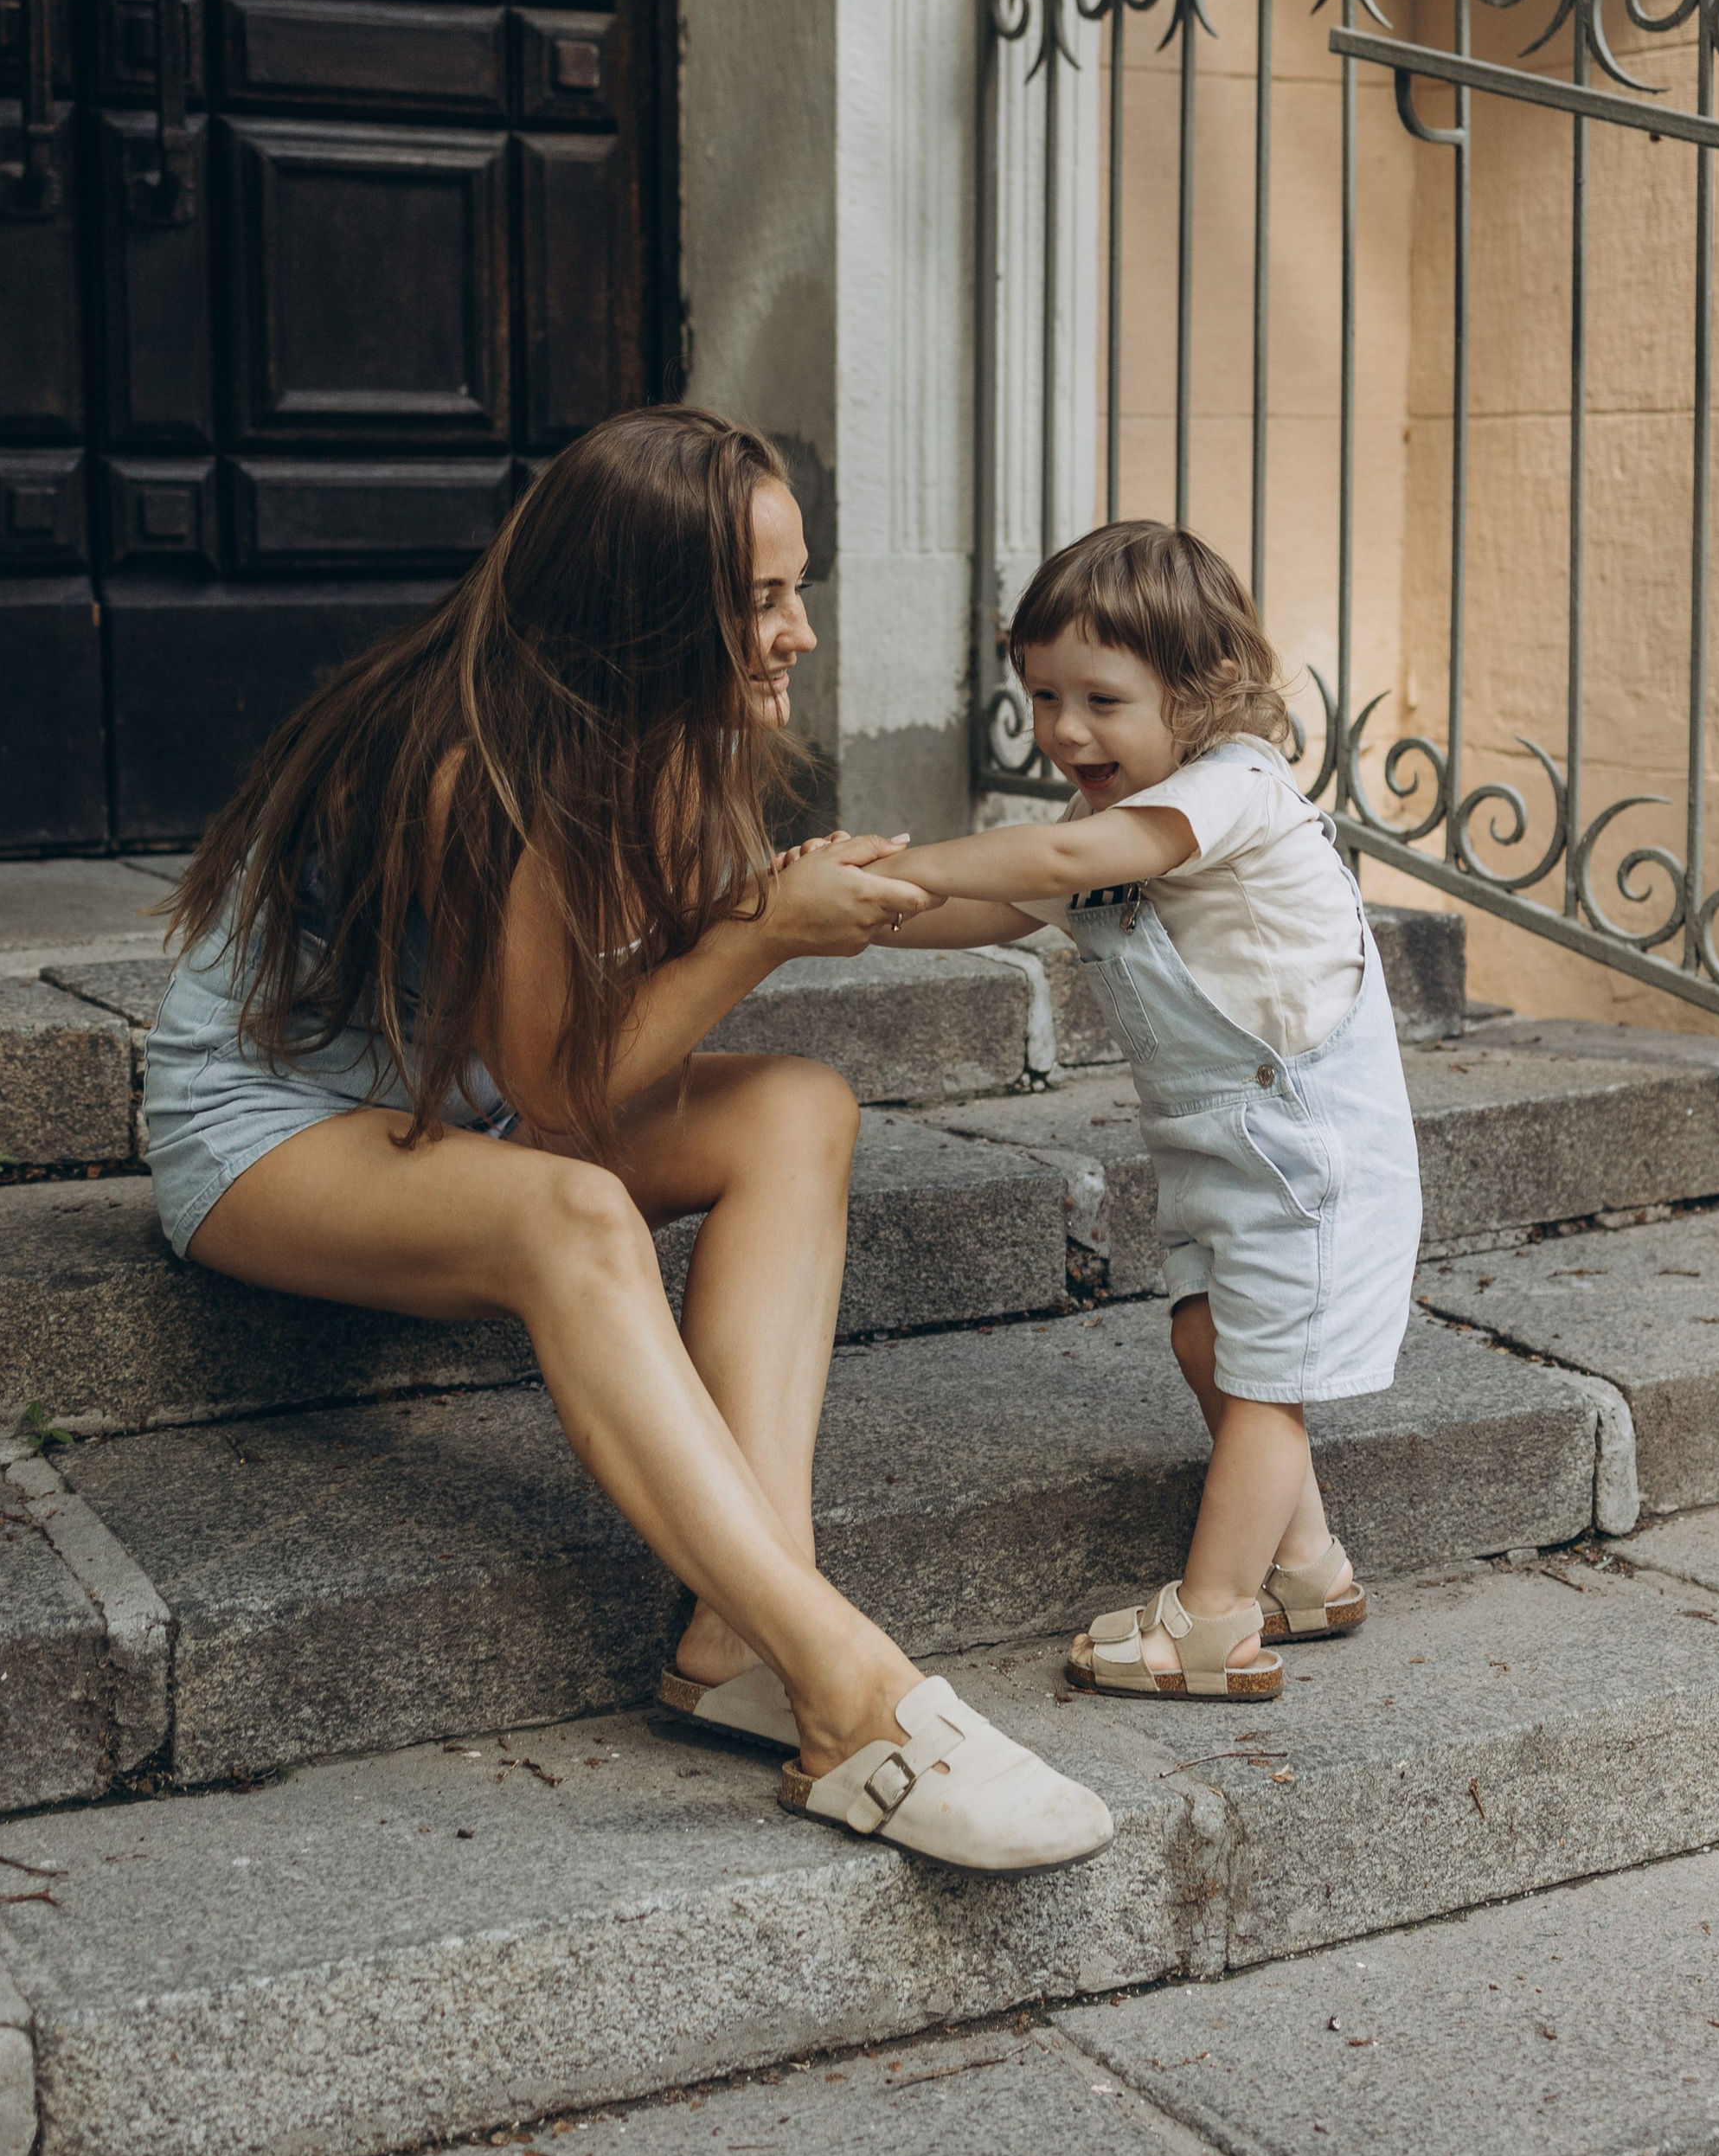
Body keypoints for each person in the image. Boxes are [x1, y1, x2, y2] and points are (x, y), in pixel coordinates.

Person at [144, 408, 1112, 1872]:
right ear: (647, 614)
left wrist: (1119, 860)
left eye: (798, 588)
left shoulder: (655, 739)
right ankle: (846, 1693)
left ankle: (739, 1630)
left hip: (454, 1104)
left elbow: (798, 923)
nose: (798, 632)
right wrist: (760, 936)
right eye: (761, 600)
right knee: (571, 1213)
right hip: (275, 1129)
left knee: (795, 1106)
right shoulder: (477, 765)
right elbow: (561, 1099)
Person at [873, 518, 1421, 1699]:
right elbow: (993, 911)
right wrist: (851, 906)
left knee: (1266, 1384)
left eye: (1102, 701)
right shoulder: (1112, 834)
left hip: (1307, 1153)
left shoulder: (1234, 789)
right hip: (1221, 1153)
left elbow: (1063, 863)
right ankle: (1307, 1567)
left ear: (1202, 691)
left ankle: (1213, 1621)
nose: (1065, 730)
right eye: (1043, 697)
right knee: (1206, 1341)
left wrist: (918, 858)